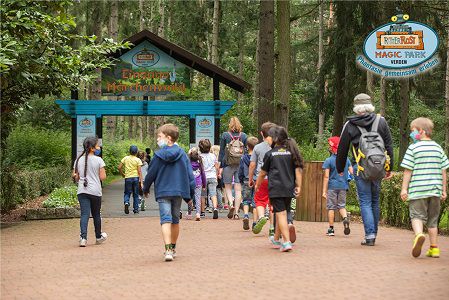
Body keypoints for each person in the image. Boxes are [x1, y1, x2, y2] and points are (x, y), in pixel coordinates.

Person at [336, 93, 394, 246]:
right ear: (370, 106)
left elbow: (342, 149)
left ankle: (369, 235)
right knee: (375, 200)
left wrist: (340, 168)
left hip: (360, 167)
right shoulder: (381, 121)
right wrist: (390, 167)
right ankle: (373, 233)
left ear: (356, 107)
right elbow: (389, 145)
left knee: (365, 201)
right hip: (378, 167)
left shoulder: (350, 125)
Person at [143, 124, 195, 262]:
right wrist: (189, 197)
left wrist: (145, 189)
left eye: (159, 137)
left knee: (165, 220)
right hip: (178, 192)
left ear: (169, 138)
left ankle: (167, 250)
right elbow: (190, 177)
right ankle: (173, 247)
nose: (157, 140)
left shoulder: (158, 155)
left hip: (163, 192)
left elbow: (150, 174)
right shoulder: (183, 154)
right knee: (175, 221)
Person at [400, 118, 448, 258]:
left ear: (420, 131)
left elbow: (408, 170)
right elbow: (443, 170)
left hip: (418, 189)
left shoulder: (413, 148)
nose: (411, 133)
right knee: (433, 220)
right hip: (435, 190)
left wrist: (404, 189)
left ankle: (419, 235)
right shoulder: (438, 148)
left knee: (416, 216)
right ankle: (434, 248)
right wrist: (443, 190)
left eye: (412, 131)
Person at [255, 126, 303, 252]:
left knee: (280, 214)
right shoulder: (291, 152)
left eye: (269, 137)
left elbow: (262, 173)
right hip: (289, 188)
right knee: (280, 213)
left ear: (275, 139)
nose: (267, 140)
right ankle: (276, 239)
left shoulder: (270, 154)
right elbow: (298, 170)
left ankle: (286, 242)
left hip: (276, 188)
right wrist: (299, 185)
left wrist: (257, 185)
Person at [72, 136, 107, 247]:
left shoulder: (78, 160)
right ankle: (98, 237)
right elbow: (103, 177)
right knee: (96, 214)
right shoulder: (99, 160)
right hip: (95, 191)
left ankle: (83, 238)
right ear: (92, 148)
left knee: (84, 214)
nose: (98, 147)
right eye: (97, 145)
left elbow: (76, 178)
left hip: (82, 190)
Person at [248, 122, 276, 235]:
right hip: (275, 178)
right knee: (272, 203)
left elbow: (252, 165)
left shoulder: (257, 147)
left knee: (259, 200)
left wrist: (250, 179)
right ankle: (272, 228)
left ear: (261, 133)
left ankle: (261, 217)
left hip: (262, 178)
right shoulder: (277, 146)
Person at [322, 136, 353, 236]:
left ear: (332, 148)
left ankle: (331, 229)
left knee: (331, 207)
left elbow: (326, 177)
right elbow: (352, 172)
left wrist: (324, 191)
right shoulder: (346, 160)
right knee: (341, 206)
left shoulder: (328, 160)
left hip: (332, 187)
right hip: (343, 186)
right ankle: (345, 219)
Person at [218, 117, 247, 219]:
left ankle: (231, 204)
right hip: (240, 164)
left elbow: (221, 152)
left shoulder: (225, 135)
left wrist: (220, 167)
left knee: (228, 187)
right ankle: (237, 213)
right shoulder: (244, 136)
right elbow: (247, 152)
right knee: (238, 189)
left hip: (227, 164)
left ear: (230, 124)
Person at [238, 136, 259, 230]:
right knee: (256, 203)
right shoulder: (258, 158)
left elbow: (240, 171)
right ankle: (255, 222)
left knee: (246, 200)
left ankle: (246, 215)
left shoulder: (243, 158)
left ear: (247, 146)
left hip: (246, 180)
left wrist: (241, 179)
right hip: (257, 181)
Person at [118, 145, 143, 214]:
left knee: (127, 193)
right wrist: (141, 181)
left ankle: (126, 202)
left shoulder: (125, 158)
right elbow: (139, 171)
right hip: (135, 178)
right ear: (136, 152)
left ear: (129, 151)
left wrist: (122, 174)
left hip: (128, 178)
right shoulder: (138, 160)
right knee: (136, 194)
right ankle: (136, 209)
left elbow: (119, 167)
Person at [199, 139, 220, 219]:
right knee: (213, 194)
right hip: (212, 176)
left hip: (203, 178)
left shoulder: (199, 156)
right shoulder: (213, 156)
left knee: (203, 195)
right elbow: (217, 167)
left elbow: (199, 168)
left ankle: (202, 212)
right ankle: (215, 208)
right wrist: (217, 175)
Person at [189, 147, 207, 221]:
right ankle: (198, 214)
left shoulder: (188, 164)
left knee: (189, 198)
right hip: (198, 183)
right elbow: (203, 175)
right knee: (198, 198)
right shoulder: (200, 165)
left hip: (190, 183)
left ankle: (189, 213)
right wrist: (204, 184)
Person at [211, 145, 225, 209]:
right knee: (219, 190)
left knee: (211, 191)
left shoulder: (212, 157)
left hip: (213, 175)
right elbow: (222, 167)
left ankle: (212, 205)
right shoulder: (221, 159)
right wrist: (220, 174)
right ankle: (220, 204)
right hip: (219, 176)